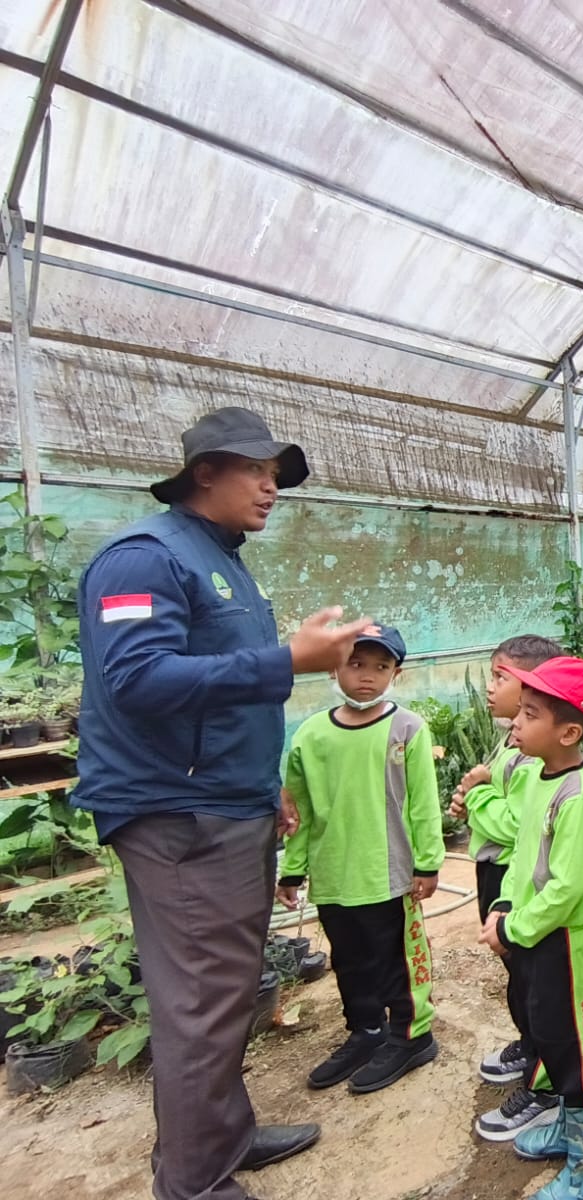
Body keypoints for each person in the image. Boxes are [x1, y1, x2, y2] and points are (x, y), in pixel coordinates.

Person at [73, 407, 372, 1200]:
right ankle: (195, 1183)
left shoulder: (219, 559)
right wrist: (287, 659)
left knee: (228, 987)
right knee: (202, 1001)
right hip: (177, 815)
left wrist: (260, 776)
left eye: (279, 474)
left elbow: (220, 692)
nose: (273, 487)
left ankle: (223, 1136)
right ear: (204, 473)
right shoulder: (143, 559)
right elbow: (136, 682)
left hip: (222, 800)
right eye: (258, 470)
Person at [277, 624, 444, 1093]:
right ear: (334, 667)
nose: (367, 677)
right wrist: (292, 868)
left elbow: (422, 802)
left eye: (381, 667)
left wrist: (427, 863)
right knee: (349, 961)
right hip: (333, 874)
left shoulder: (407, 728)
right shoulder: (311, 735)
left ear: (396, 673)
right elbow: (300, 811)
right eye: (356, 664)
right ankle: (365, 1032)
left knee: (396, 961)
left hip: (388, 875)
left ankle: (412, 1035)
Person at [482, 657, 583, 1200]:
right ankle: (568, 1124)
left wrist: (516, 928)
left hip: (572, 942)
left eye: (531, 713)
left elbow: (566, 888)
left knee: (579, 1046)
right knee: (549, 1034)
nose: (516, 720)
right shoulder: (540, 775)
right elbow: (522, 856)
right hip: (540, 937)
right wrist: (504, 904)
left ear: (568, 732)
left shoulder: (580, 795)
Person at [448, 634, 564, 1142]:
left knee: (533, 981)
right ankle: (528, 1040)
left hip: (515, 874)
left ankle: (545, 1077)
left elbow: (516, 823)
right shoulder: (511, 741)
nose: (491, 688)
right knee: (517, 976)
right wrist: (481, 782)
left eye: (501, 677)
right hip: (497, 870)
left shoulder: (539, 756)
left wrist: (476, 798)